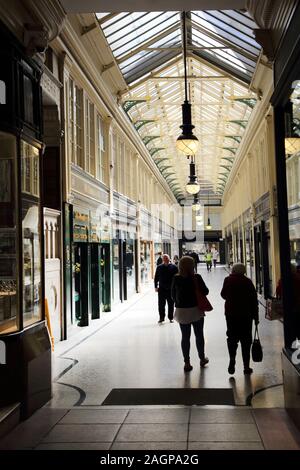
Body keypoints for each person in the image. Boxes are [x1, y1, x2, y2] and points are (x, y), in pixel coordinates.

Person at [171, 256, 209, 372]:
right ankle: (202, 358)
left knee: (185, 337)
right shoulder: (196, 277)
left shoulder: (176, 278)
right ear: (192, 265)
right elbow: (206, 291)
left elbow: (172, 295)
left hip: (182, 311)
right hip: (196, 309)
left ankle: (187, 363)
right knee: (199, 335)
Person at [221, 263, 259, 375]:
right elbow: (254, 300)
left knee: (232, 338)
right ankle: (246, 367)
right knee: (246, 340)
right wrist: (256, 317)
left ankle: (232, 359)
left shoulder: (227, 280)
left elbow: (223, 295)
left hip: (231, 314)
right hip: (246, 315)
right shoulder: (247, 282)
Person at [154, 254, 178, 323]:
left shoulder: (174, 267)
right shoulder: (159, 267)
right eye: (164, 258)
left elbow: (177, 278)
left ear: (169, 258)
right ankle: (161, 317)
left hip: (171, 289)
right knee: (161, 304)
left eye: (166, 258)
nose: (165, 259)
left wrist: (176, 288)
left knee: (171, 304)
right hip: (161, 289)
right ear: (162, 259)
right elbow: (156, 278)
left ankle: (171, 317)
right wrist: (156, 287)